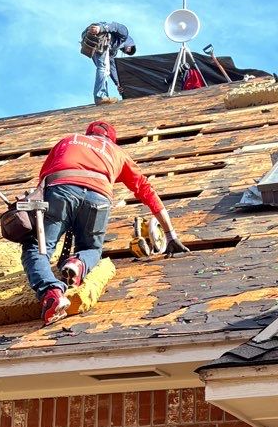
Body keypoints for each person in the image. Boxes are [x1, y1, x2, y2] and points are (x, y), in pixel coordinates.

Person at [22, 119, 189, 325]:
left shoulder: (69, 140)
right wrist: (171, 234)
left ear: (89, 133)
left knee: (37, 248)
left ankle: (51, 293)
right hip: (99, 197)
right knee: (91, 248)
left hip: (61, 190)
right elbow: (146, 191)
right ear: (111, 138)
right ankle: (78, 264)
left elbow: (44, 179)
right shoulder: (116, 152)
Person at [81, 22, 135, 103]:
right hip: (99, 33)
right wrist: (101, 28)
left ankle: (101, 96)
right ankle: (100, 96)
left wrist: (118, 83)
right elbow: (116, 26)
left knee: (104, 67)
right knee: (103, 68)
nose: (126, 51)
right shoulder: (125, 34)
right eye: (129, 50)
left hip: (92, 39)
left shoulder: (113, 50)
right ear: (131, 44)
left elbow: (112, 67)